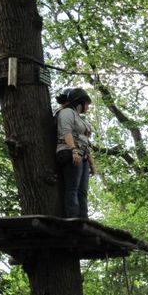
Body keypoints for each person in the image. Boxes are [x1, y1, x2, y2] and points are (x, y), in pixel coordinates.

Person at [55, 87, 97, 218]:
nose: (88, 108)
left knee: (83, 191)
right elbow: (66, 132)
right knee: (73, 188)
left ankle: (83, 218)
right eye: (86, 104)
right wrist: (74, 151)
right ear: (80, 102)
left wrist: (92, 164)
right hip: (69, 152)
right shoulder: (67, 112)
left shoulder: (81, 119)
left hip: (82, 154)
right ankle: (73, 217)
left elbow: (85, 143)